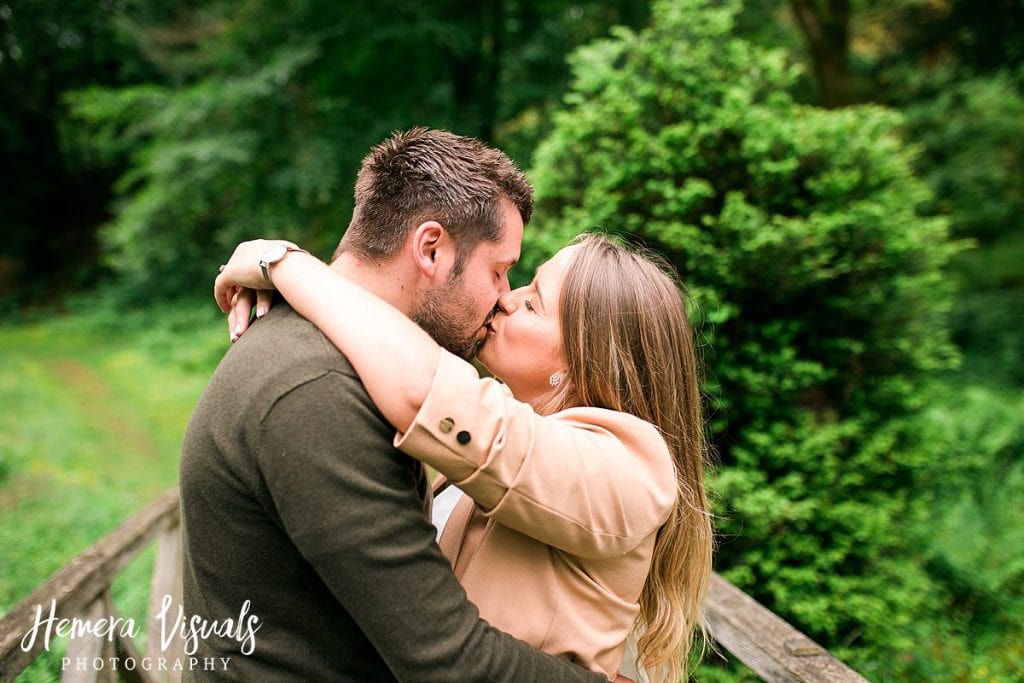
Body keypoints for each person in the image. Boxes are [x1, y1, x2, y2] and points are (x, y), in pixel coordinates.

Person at [179, 128, 607, 682]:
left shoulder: (326, 357)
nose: (505, 297)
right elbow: (448, 662)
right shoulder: (319, 391)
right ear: (431, 249)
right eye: (498, 270)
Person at [215, 230, 715, 682]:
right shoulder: (533, 439)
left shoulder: (631, 466)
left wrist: (284, 264)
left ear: (589, 364)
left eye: (534, 304)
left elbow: (425, 390)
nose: (505, 299)